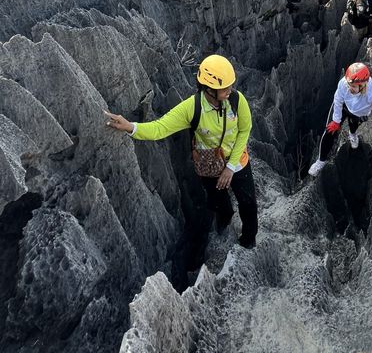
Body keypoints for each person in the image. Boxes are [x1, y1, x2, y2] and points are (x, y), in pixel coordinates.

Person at [105, 54, 258, 249]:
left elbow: (245, 129)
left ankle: (248, 241)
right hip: (210, 166)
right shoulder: (191, 108)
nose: (230, 90)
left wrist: (230, 167)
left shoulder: (237, 100)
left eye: (230, 85)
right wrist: (130, 127)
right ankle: (224, 222)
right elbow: (160, 128)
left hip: (238, 161)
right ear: (209, 89)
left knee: (249, 204)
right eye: (224, 88)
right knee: (220, 204)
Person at [308, 63, 372, 176]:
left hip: (359, 113)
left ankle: (353, 135)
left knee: (353, 126)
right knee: (329, 131)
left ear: (363, 85)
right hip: (343, 107)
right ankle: (321, 161)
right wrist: (336, 121)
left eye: (354, 86)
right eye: (350, 85)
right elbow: (338, 100)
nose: (351, 88)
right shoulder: (344, 84)